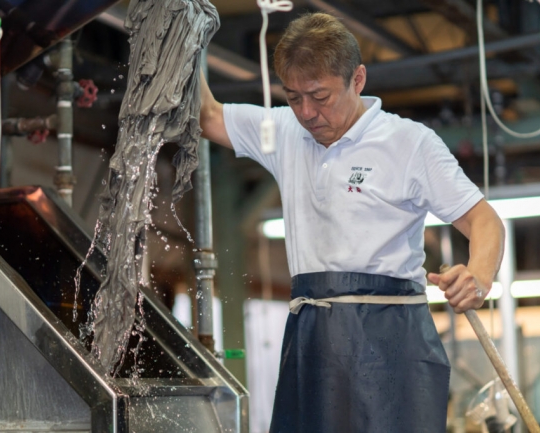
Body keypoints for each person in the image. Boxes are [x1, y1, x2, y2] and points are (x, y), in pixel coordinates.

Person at [200, 12, 505, 433]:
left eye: (320, 96)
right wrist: (183, 29)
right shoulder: (285, 131)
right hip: (312, 333)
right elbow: (209, 116)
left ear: (357, 80)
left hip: (389, 336)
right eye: (293, 97)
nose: (307, 112)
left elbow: (484, 220)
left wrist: (479, 276)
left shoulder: (409, 143)